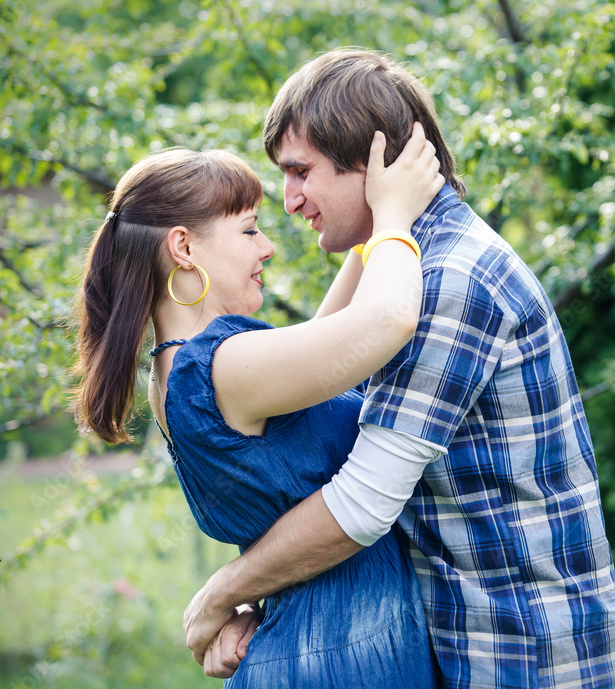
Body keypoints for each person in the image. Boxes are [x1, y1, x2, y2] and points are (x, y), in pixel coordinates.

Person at [186, 48, 615, 688]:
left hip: (524, 654)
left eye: (300, 171)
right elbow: (316, 407)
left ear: (372, 165)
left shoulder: (451, 282)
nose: (289, 200)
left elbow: (363, 502)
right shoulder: (409, 266)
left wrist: (220, 594)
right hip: (477, 644)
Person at [70, 127, 446, 687]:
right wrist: (392, 221)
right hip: (336, 659)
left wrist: (373, 221)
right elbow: (387, 320)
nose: (267, 246)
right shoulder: (217, 369)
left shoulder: (189, 368)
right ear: (184, 248)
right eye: (249, 229)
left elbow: (323, 350)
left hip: (325, 649)